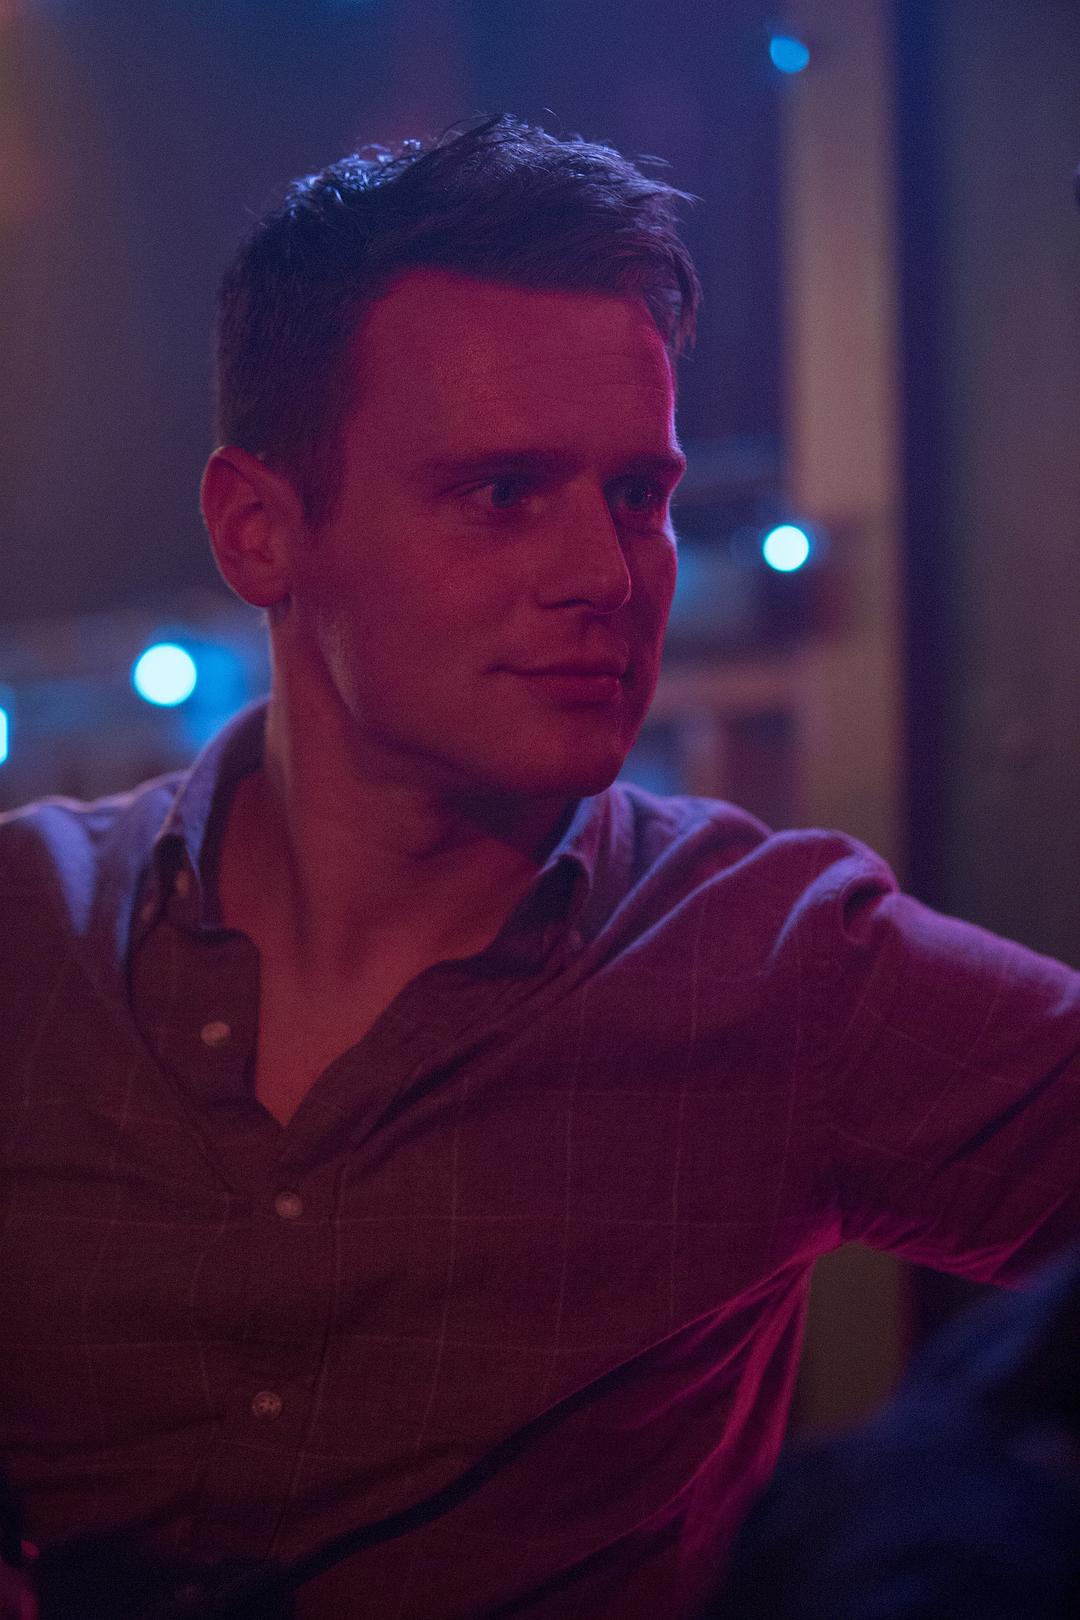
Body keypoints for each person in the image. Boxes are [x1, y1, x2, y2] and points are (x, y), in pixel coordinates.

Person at [1, 113, 1078, 1620]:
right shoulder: (27, 931)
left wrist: (924, 1532)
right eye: (502, 491)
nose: (608, 575)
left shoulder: (778, 961)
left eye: (638, 494)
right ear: (259, 531)